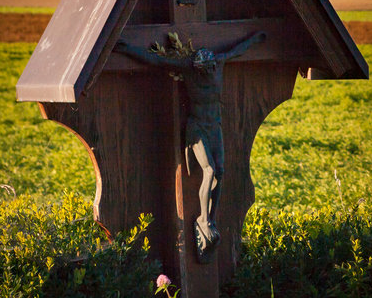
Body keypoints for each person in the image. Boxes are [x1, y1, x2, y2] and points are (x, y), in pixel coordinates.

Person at [114, 31, 266, 263]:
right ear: (196, 68)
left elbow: (238, 50)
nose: (208, 72)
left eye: (209, 69)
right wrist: (127, 49)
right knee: (210, 170)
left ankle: (210, 219)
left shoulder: (219, 62)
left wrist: (255, 39)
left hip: (214, 126)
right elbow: (157, 60)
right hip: (197, 128)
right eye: (203, 70)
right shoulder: (188, 68)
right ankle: (203, 220)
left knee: (221, 172)